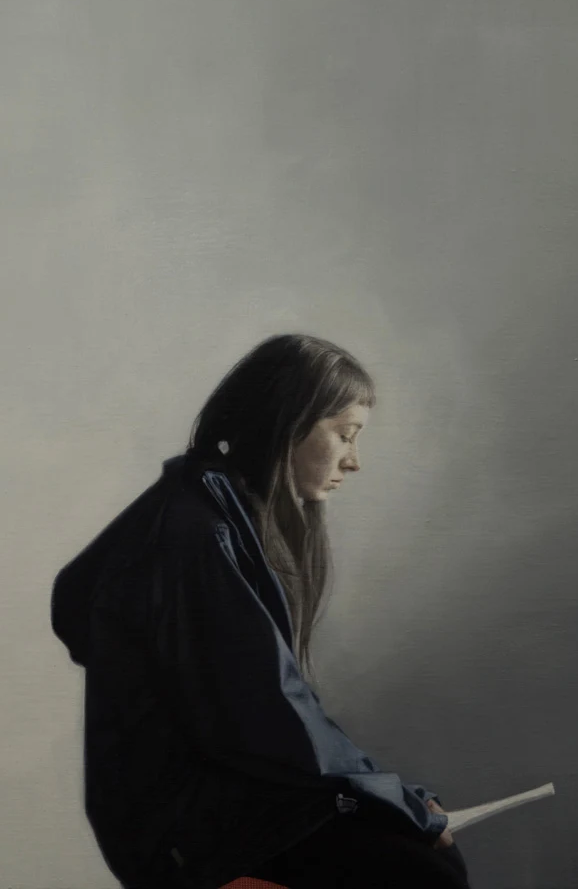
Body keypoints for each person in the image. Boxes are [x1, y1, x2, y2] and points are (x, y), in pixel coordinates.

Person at [51, 334, 471, 888]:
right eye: (345, 435)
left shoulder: (210, 512)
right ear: (285, 423)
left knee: (418, 859)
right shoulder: (197, 531)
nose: (354, 460)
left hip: (200, 805)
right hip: (184, 832)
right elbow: (268, 711)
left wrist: (389, 796)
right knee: (425, 870)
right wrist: (400, 800)